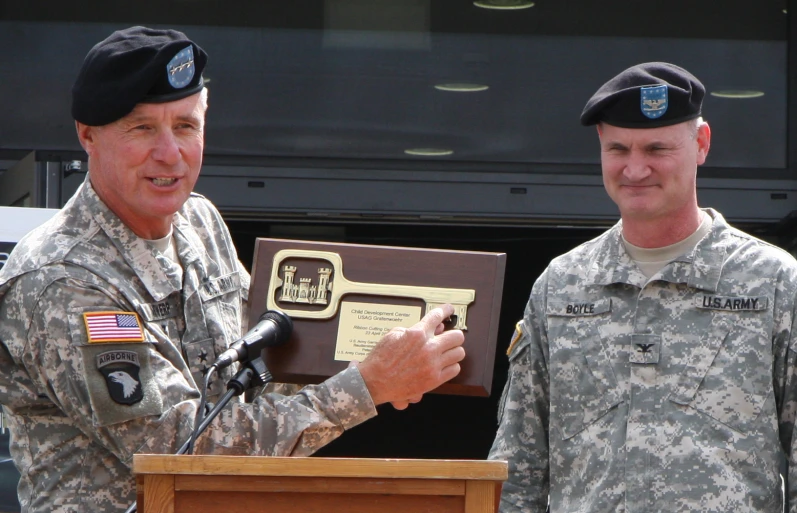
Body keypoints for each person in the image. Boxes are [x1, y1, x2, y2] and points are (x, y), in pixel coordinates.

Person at [0, 26, 466, 513]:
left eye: (185, 126)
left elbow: (275, 358)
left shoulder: (198, 221)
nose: (169, 152)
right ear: (88, 134)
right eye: (141, 128)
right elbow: (183, 453)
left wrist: (395, 352)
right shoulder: (61, 279)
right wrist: (366, 386)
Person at [488, 61, 797, 512]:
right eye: (619, 149)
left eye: (656, 148)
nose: (635, 169)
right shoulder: (562, 286)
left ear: (701, 144)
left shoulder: (773, 281)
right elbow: (517, 465)